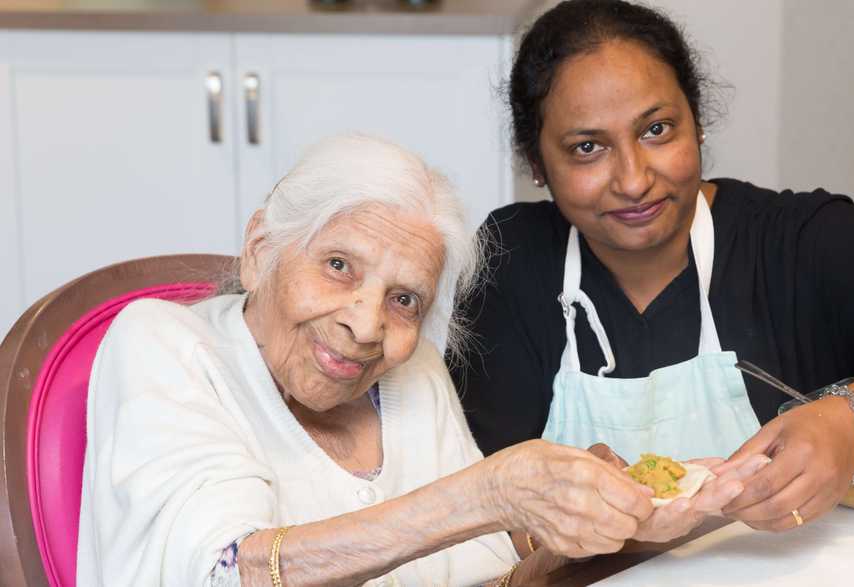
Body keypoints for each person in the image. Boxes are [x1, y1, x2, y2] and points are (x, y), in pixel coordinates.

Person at [452, 0, 854, 535]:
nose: (633, 179)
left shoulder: (800, 244)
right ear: (537, 162)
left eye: (657, 130)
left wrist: (851, 425)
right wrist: (564, 521)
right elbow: (471, 504)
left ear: (698, 120)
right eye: (588, 147)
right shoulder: (510, 264)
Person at [76, 134, 763, 586]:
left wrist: (615, 529)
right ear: (261, 249)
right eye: (339, 264)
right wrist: (490, 492)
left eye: (405, 298)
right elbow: (222, 570)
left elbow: (488, 574)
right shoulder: (165, 345)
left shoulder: (412, 375)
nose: (366, 323)